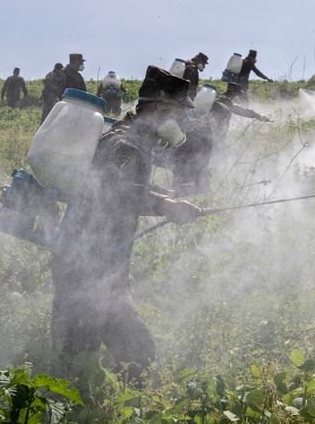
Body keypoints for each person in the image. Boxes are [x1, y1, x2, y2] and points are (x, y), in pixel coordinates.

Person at [50, 66, 202, 390]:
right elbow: (120, 193)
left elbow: (125, 186)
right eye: (178, 112)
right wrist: (167, 206)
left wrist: (166, 198)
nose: (182, 121)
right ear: (159, 109)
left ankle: (101, 407)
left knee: (85, 359)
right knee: (115, 356)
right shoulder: (128, 144)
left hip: (93, 266)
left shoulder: (129, 136)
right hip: (87, 269)